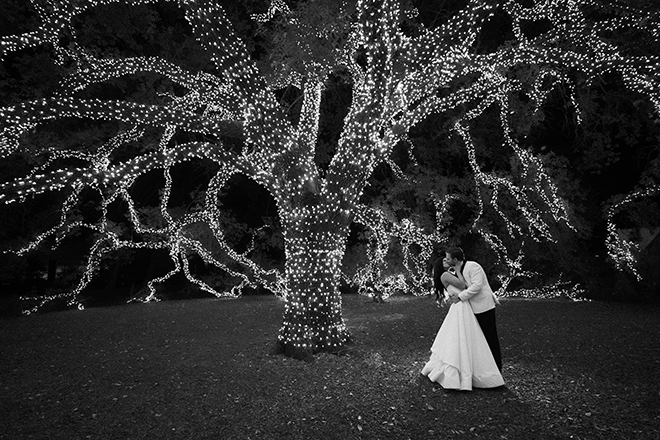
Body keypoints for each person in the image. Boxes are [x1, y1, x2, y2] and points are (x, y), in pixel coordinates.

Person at [421, 252, 503, 391]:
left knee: (466, 337)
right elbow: (463, 285)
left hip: (464, 306)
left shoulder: (457, 271)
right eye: (444, 261)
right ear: (441, 266)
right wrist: (458, 271)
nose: (446, 261)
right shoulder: (446, 275)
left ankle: (477, 366)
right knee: (462, 337)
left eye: (448, 259)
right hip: (460, 307)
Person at [445, 247, 502, 371]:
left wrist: (460, 297)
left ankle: (497, 369)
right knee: (478, 340)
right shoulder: (456, 270)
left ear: (455, 259)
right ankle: (484, 368)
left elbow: (477, 286)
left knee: (490, 338)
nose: (447, 260)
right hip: (471, 309)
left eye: (448, 258)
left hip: (484, 306)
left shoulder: (473, 266)